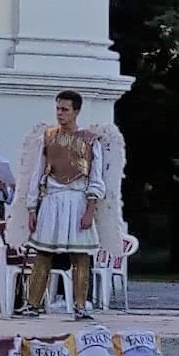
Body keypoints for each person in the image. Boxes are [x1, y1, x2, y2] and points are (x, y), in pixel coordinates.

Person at [13, 90, 110, 321]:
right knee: (43, 253)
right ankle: (32, 304)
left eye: (65, 109)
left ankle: (80, 305)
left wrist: (90, 210)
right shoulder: (47, 137)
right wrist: (31, 207)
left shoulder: (90, 140)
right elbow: (38, 172)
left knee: (80, 255)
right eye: (58, 109)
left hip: (77, 199)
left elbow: (95, 178)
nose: (60, 113)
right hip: (52, 199)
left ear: (76, 111)